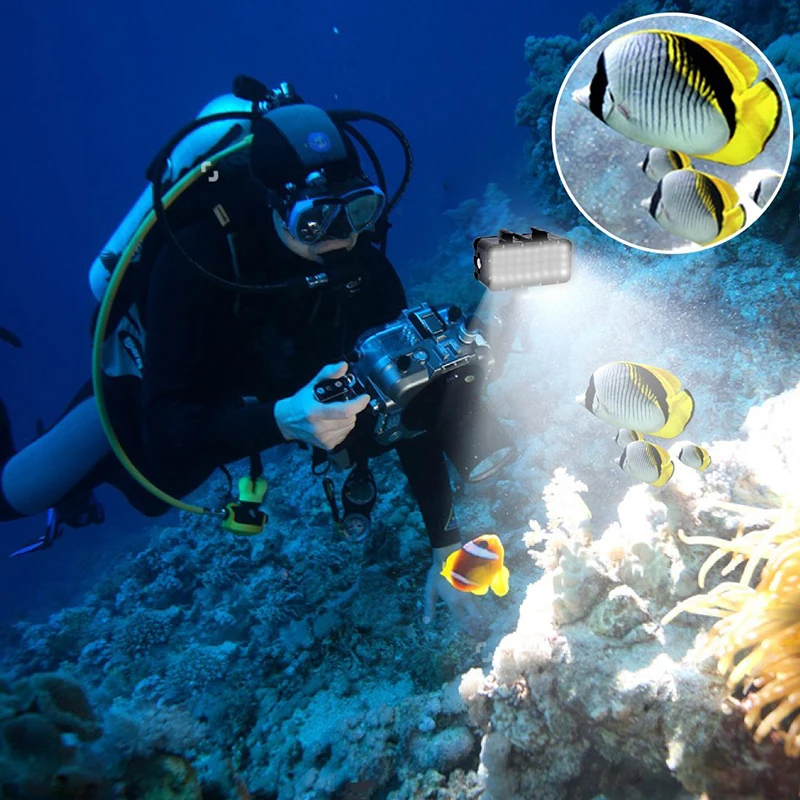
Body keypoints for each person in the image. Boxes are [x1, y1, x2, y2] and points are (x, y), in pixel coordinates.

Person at [0, 90, 488, 638]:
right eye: (315, 223)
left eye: (358, 211)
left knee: (158, 495)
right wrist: (279, 420)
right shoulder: (199, 259)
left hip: (245, 406)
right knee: (25, 493)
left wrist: (447, 545)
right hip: (143, 395)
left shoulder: (362, 268)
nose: (342, 238)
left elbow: (410, 397)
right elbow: (167, 431)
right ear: (276, 206)